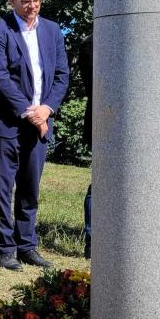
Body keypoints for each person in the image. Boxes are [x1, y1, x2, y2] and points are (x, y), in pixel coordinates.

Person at [0, 0, 69, 270]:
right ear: (12, 1)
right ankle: (5, 249)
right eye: (26, 1)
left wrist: (46, 110)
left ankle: (27, 245)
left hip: (40, 122)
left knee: (30, 188)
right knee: (3, 189)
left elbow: (61, 75)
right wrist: (29, 112)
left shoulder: (53, 30)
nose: (32, 7)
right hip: (4, 125)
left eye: (37, 1)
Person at [77, 35, 93, 260]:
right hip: (104, 123)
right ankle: (93, 241)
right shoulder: (92, 44)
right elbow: (96, 85)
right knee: (99, 184)